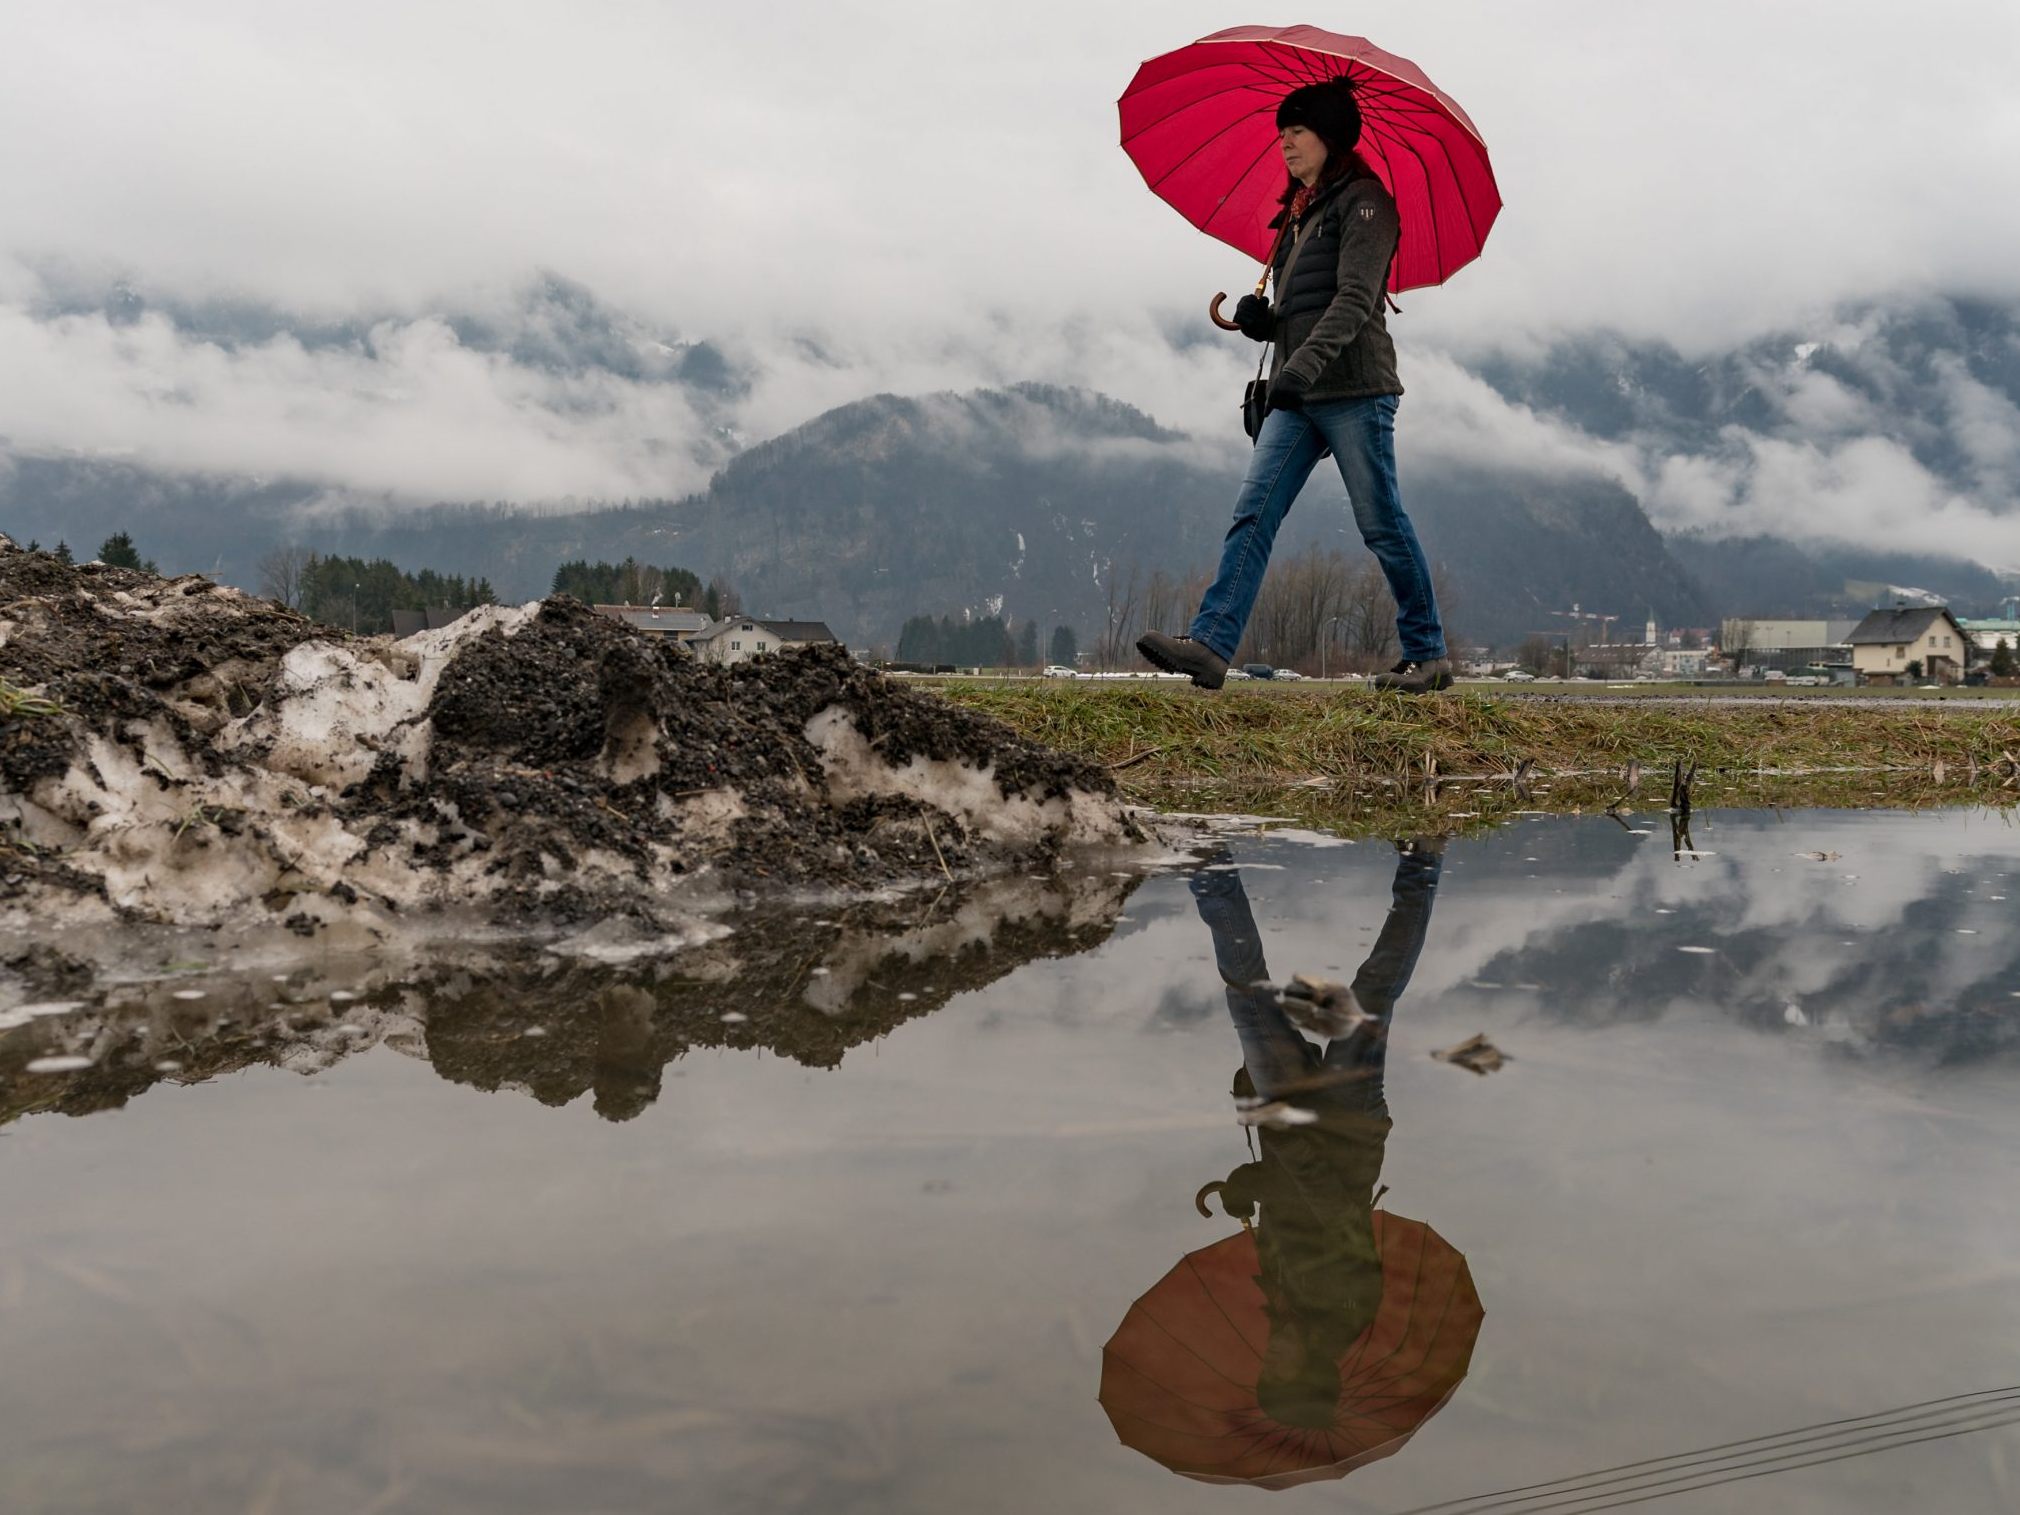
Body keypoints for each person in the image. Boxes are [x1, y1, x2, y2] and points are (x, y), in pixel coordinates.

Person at [1138, 76, 1452, 694]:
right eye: (1282, 132)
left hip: (1356, 390)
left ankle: (1428, 654)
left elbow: (1357, 299)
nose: (1285, 143)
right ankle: (1210, 646)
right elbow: (1304, 307)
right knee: (1253, 512)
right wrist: (1264, 324)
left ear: (1330, 138)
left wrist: (1299, 367)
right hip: (1297, 392)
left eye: (1298, 131)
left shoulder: (1367, 204)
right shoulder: (1298, 213)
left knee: (1381, 523)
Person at [1188, 839, 1444, 1426]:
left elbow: (1282, 1198)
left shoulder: (1284, 1307)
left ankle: (1207, 862)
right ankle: (1424, 859)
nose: (1271, 1358)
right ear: (1311, 1372)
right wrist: (1282, 1140)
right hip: (1345, 1128)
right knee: (1373, 993)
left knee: (1246, 997)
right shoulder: (1345, 1305)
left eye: (1266, 1369)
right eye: (1281, 1371)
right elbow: (1326, 1201)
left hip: (1291, 1124)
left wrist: (1241, 1188)